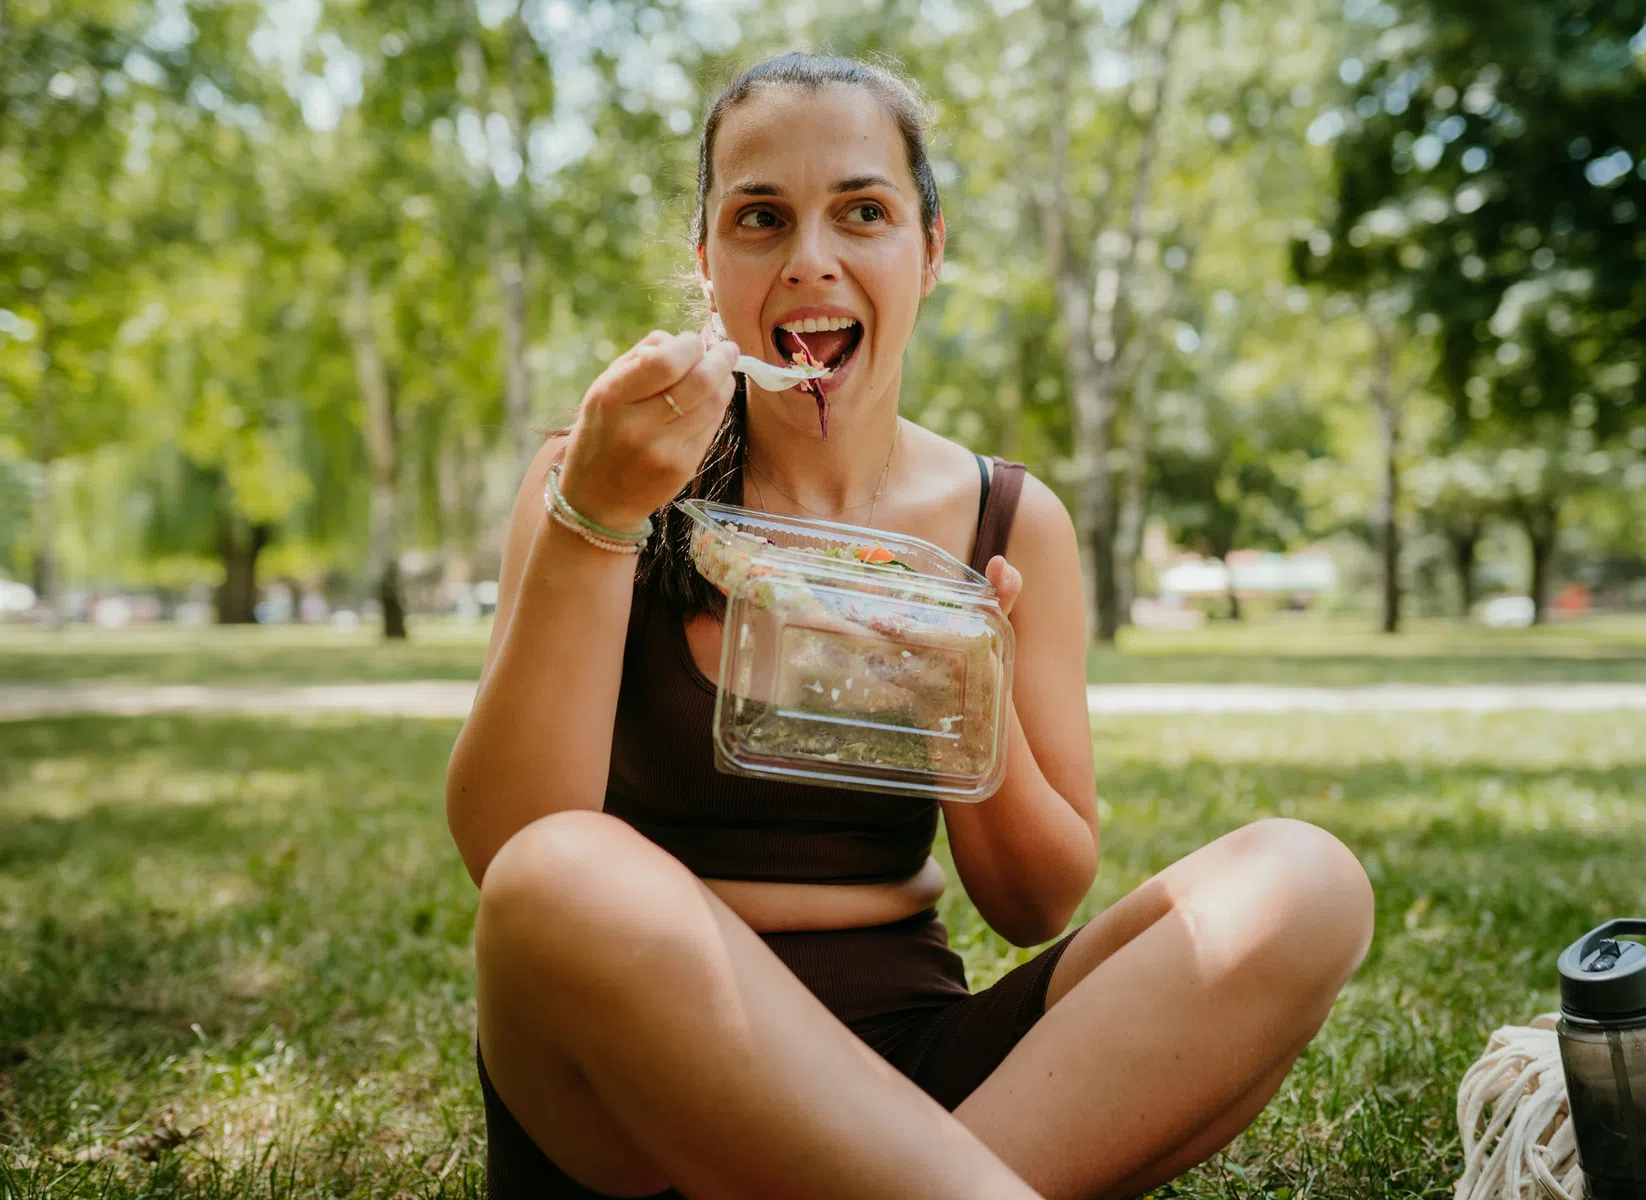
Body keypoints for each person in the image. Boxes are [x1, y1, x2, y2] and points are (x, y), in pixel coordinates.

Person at [445, 52, 1374, 1200]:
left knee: (1303, 882)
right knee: (559, 875)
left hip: (926, 1077)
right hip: (632, 1101)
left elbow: (1036, 905)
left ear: (929, 251)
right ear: (707, 263)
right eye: (760, 218)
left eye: (863, 212)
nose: (810, 258)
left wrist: (961, 708)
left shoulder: (1008, 520)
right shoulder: (596, 474)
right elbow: (508, 847)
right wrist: (592, 521)